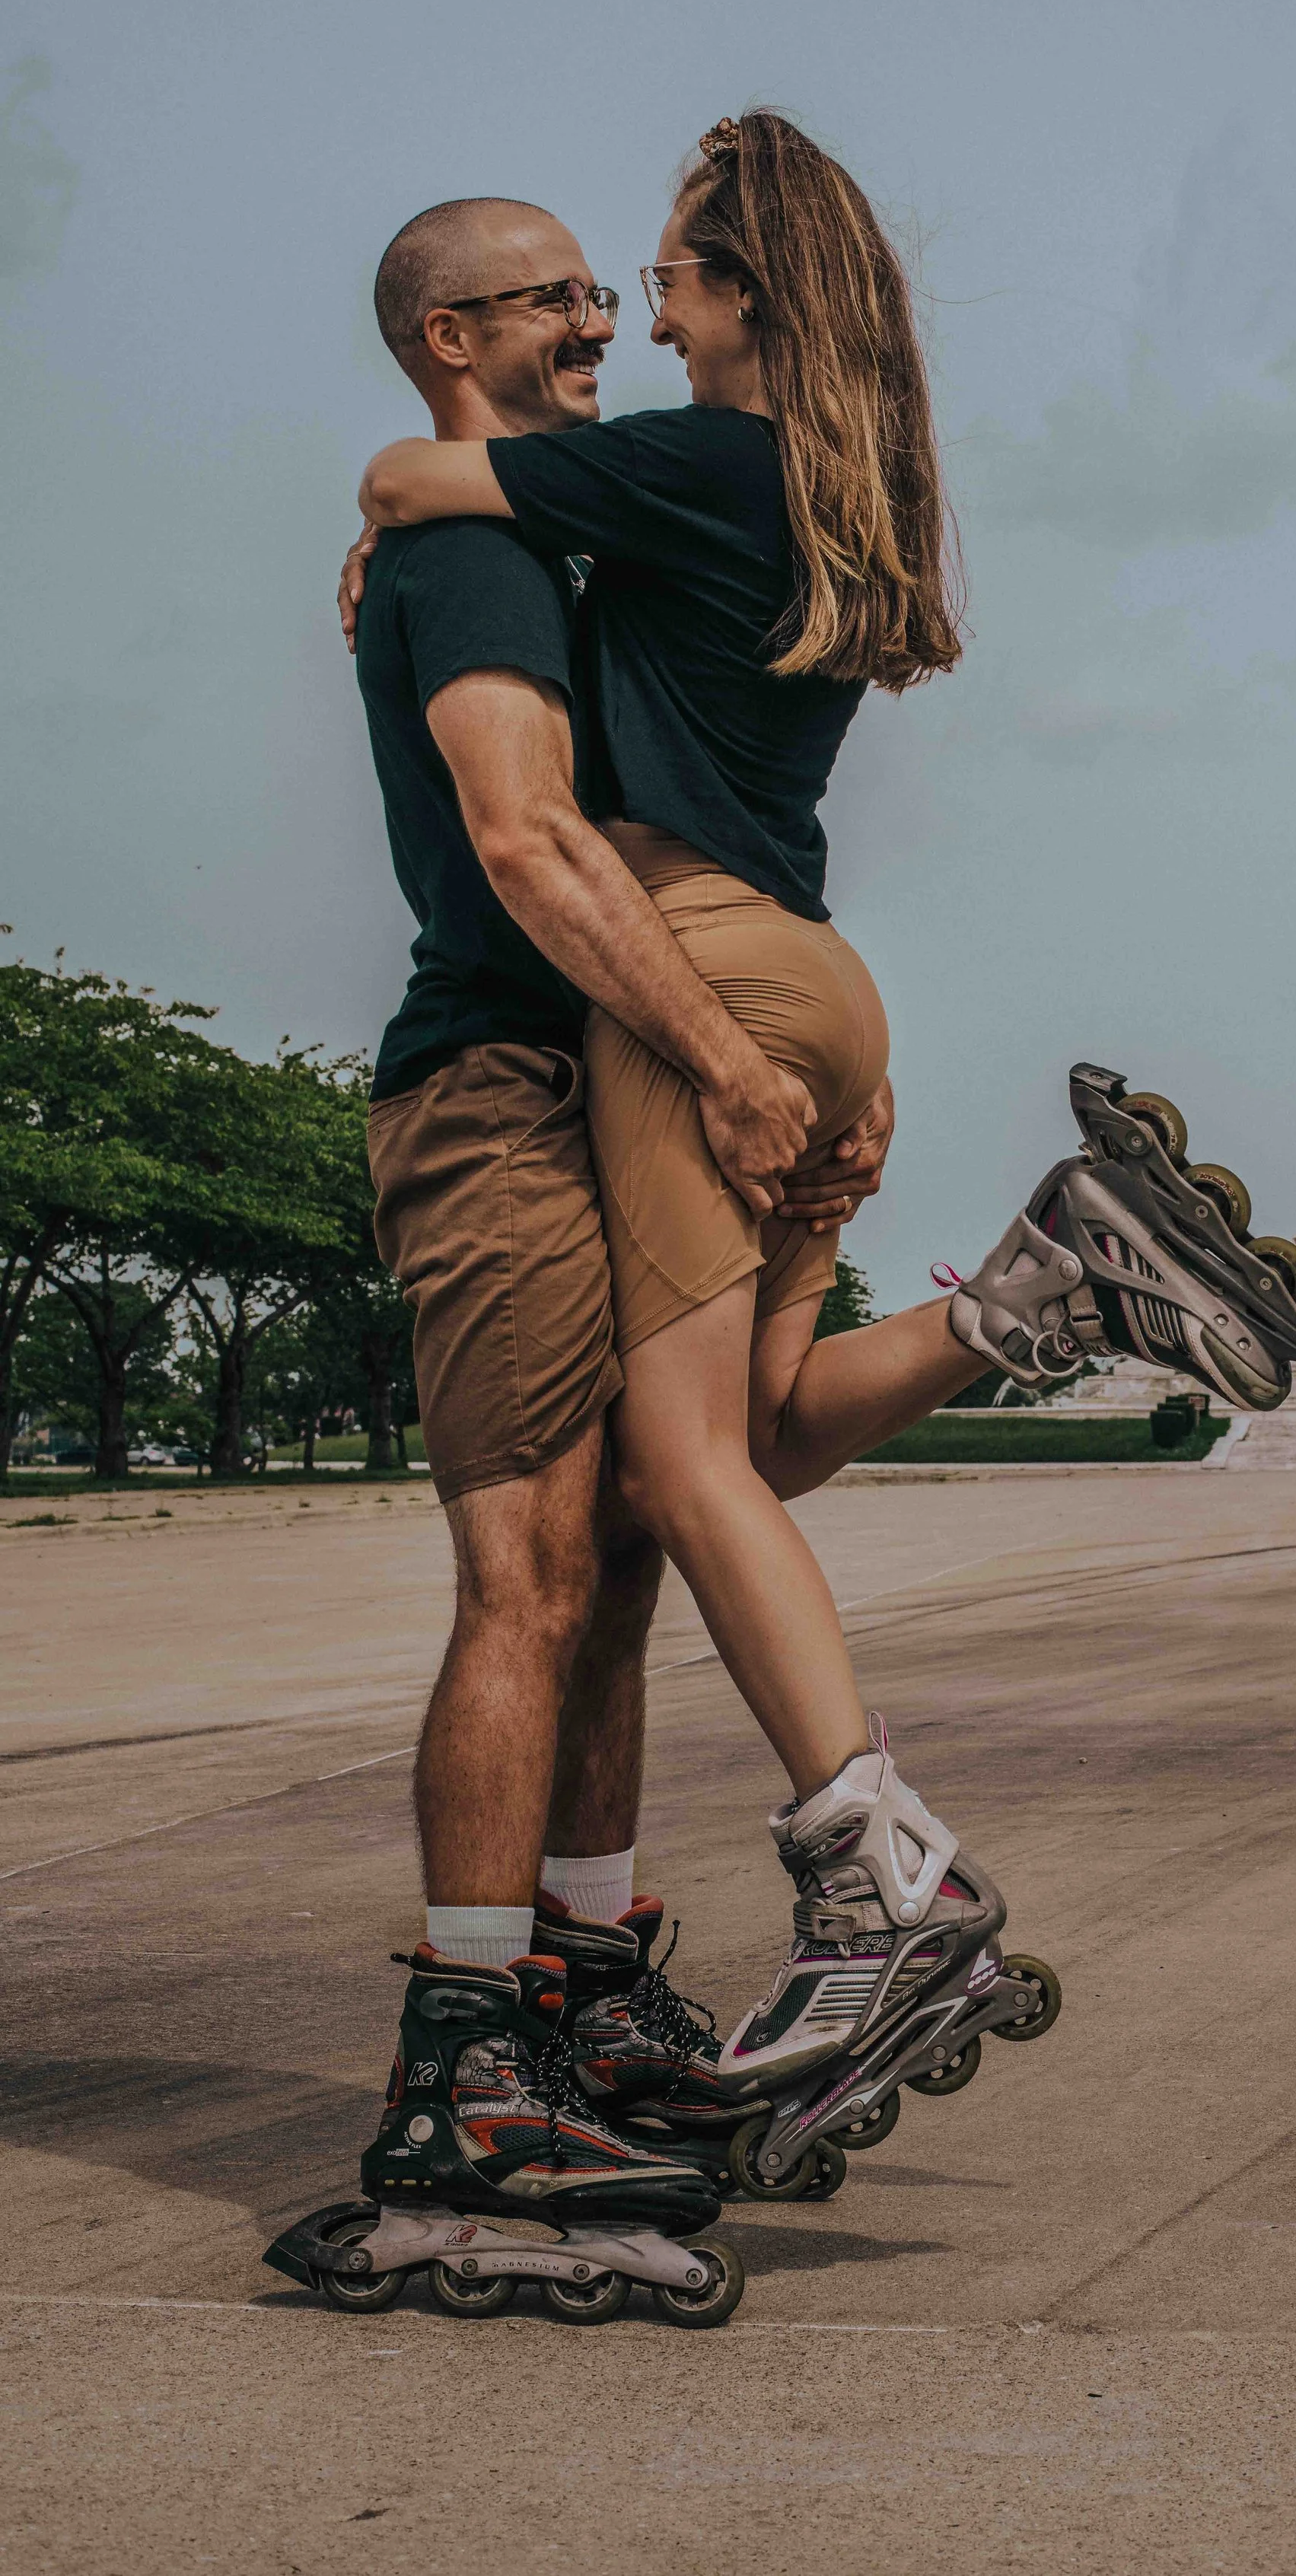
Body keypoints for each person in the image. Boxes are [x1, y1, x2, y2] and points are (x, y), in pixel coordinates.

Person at [355, 116, 1065, 2183]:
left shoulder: (582, 513)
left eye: (631, 277)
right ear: (451, 328)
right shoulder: (494, 536)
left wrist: (718, 1045)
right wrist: (741, 1053)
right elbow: (520, 833)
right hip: (513, 1075)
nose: (604, 317)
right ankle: (477, 2052)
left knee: (645, 1532)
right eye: (560, 293)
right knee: (558, 1559)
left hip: (659, 1035)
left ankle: (577, 1988)